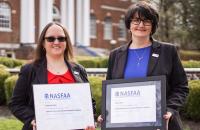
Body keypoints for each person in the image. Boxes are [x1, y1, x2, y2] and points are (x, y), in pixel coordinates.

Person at [98, 1, 189, 130]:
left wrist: (169, 110)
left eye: (146, 21)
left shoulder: (168, 51)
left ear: (153, 25)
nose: (141, 25)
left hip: (161, 124)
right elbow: (110, 92)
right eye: (136, 20)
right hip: (125, 125)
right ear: (129, 25)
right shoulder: (115, 55)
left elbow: (181, 87)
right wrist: (106, 113)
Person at [9, 22, 96, 130]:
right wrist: (33, 119)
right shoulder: (29, 70)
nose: (56, 42)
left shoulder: (79, 70)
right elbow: (16, 104)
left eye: (61, 38)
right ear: (43, 43)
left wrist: (88, 121)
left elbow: (90, 103)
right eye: (50, 39)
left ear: (66, 42)